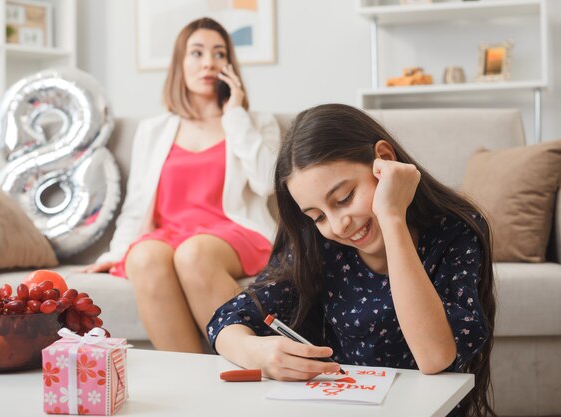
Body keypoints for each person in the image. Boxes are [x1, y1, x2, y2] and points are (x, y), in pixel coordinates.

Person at [207, 104, 496, 417]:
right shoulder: (317, 241)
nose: (338, 225)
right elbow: (226, 323)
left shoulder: (454, 230)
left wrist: (392, 216)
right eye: (317, 216)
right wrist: (259, 353)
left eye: (344, 199)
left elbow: (434, 356)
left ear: (383, 160)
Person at [85, 17, 280, 353]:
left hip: (233, 232)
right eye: (197, 53)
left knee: (193, 254)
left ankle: (248, 359)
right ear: (180, 63)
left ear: (230, 65)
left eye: (219, 53)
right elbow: (137, 204)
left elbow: (266, 183)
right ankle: (192, 379)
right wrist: (117, 252)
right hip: (170, 234)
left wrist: (234, 114)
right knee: (142, 257)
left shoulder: (257, 122)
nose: (209, 62)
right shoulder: (153, 130)